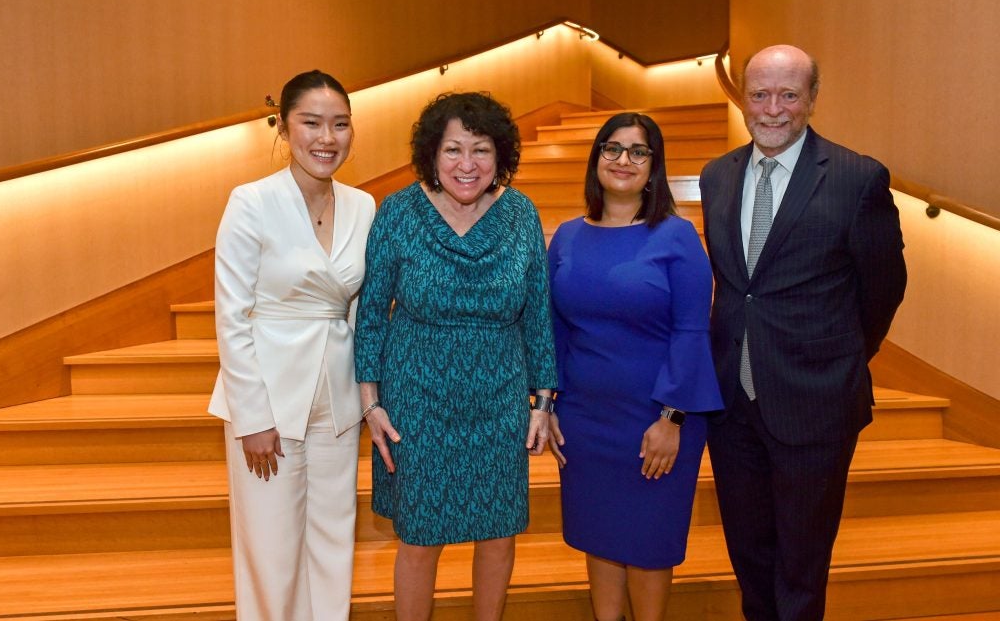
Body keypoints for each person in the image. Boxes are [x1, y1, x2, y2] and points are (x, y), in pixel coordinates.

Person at [699, 44, 907, 621]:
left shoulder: (856, 178)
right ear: (742, 97)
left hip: (815, 404)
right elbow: (735, 286)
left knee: (802, 565)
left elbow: (883, 288)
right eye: (759, 93)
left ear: (812, 100)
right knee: (749, 556)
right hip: (731, 407)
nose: (772, 108)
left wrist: (835, 357)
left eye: (788, 94)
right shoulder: (718, 176)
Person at [354, 91, 557, 621]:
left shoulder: (520, 214)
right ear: (431, 154)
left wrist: (542, 402)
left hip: (499, 395)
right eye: (453, 150)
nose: (467, 165)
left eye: (481, 150)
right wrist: (371, 404)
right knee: (420, 535)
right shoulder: (398, 212)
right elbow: (372, 313)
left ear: (501, 156)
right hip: (416, 397)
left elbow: (538, 313)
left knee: (497, 529)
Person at [208, 69, 376, 621]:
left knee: (332, 543)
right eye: (311, 123)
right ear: (283, 126)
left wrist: (367, 396)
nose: (327, 138)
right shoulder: (251, 201)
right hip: (269, 399)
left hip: (338, 397)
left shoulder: (364, 205)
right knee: (271, 548)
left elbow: (358, 308)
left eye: (340, 125)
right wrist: (252, 415)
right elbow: (231, 316)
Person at [547, 113, 723, 621]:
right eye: (612, 148)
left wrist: (672, 418)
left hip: (657, 419)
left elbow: (692, 331)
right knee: (597, 537)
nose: (623, 160)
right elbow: (554, 328)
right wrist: (549, 403)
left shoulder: (676, 237)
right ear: (596, 158)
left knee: (648, 544)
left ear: (654, 166)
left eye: (638, 151)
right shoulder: (568, 236)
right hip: (584, 419)